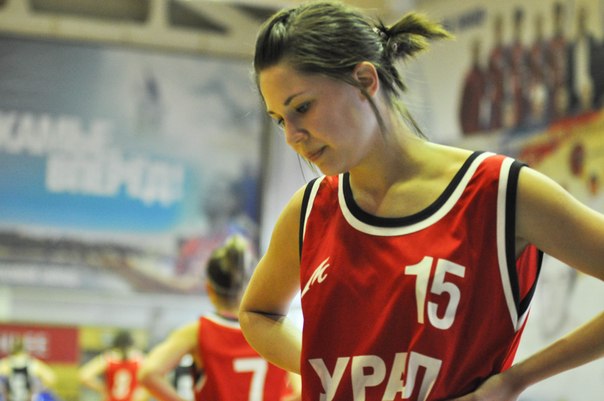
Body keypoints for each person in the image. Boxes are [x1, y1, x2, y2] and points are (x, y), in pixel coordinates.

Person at [238, 1, 604, 401]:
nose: (291, 135)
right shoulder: (309, 210)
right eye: (279, 119)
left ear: (365, 80)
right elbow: (256, 313)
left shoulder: (496, 191)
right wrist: (331, 368)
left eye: (302, 108)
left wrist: (516, 379)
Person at [138, 234, 300, 401]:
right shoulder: (279, 330)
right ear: (252, 284)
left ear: (209, 288)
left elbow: (148, 373)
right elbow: (301, 391)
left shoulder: (197, 331)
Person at [79, 330, 148, 401]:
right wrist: (143, 391)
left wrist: (102, 389)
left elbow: (84, 375)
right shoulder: (140, 359)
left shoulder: (108, 359)